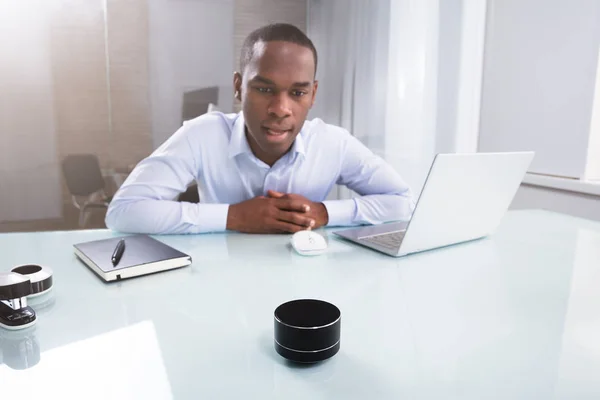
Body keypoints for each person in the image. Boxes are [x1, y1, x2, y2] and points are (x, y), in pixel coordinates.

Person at [105, 23, 415, 235]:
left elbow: (403, 202)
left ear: (313, 95)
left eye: (298, 93)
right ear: (239, 87)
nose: (281, 109)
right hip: (221, 280)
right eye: (265, 90)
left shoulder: (333, 143)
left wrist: (323, 213)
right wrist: (233, 217)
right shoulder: (201, 135)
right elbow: (123, 212)